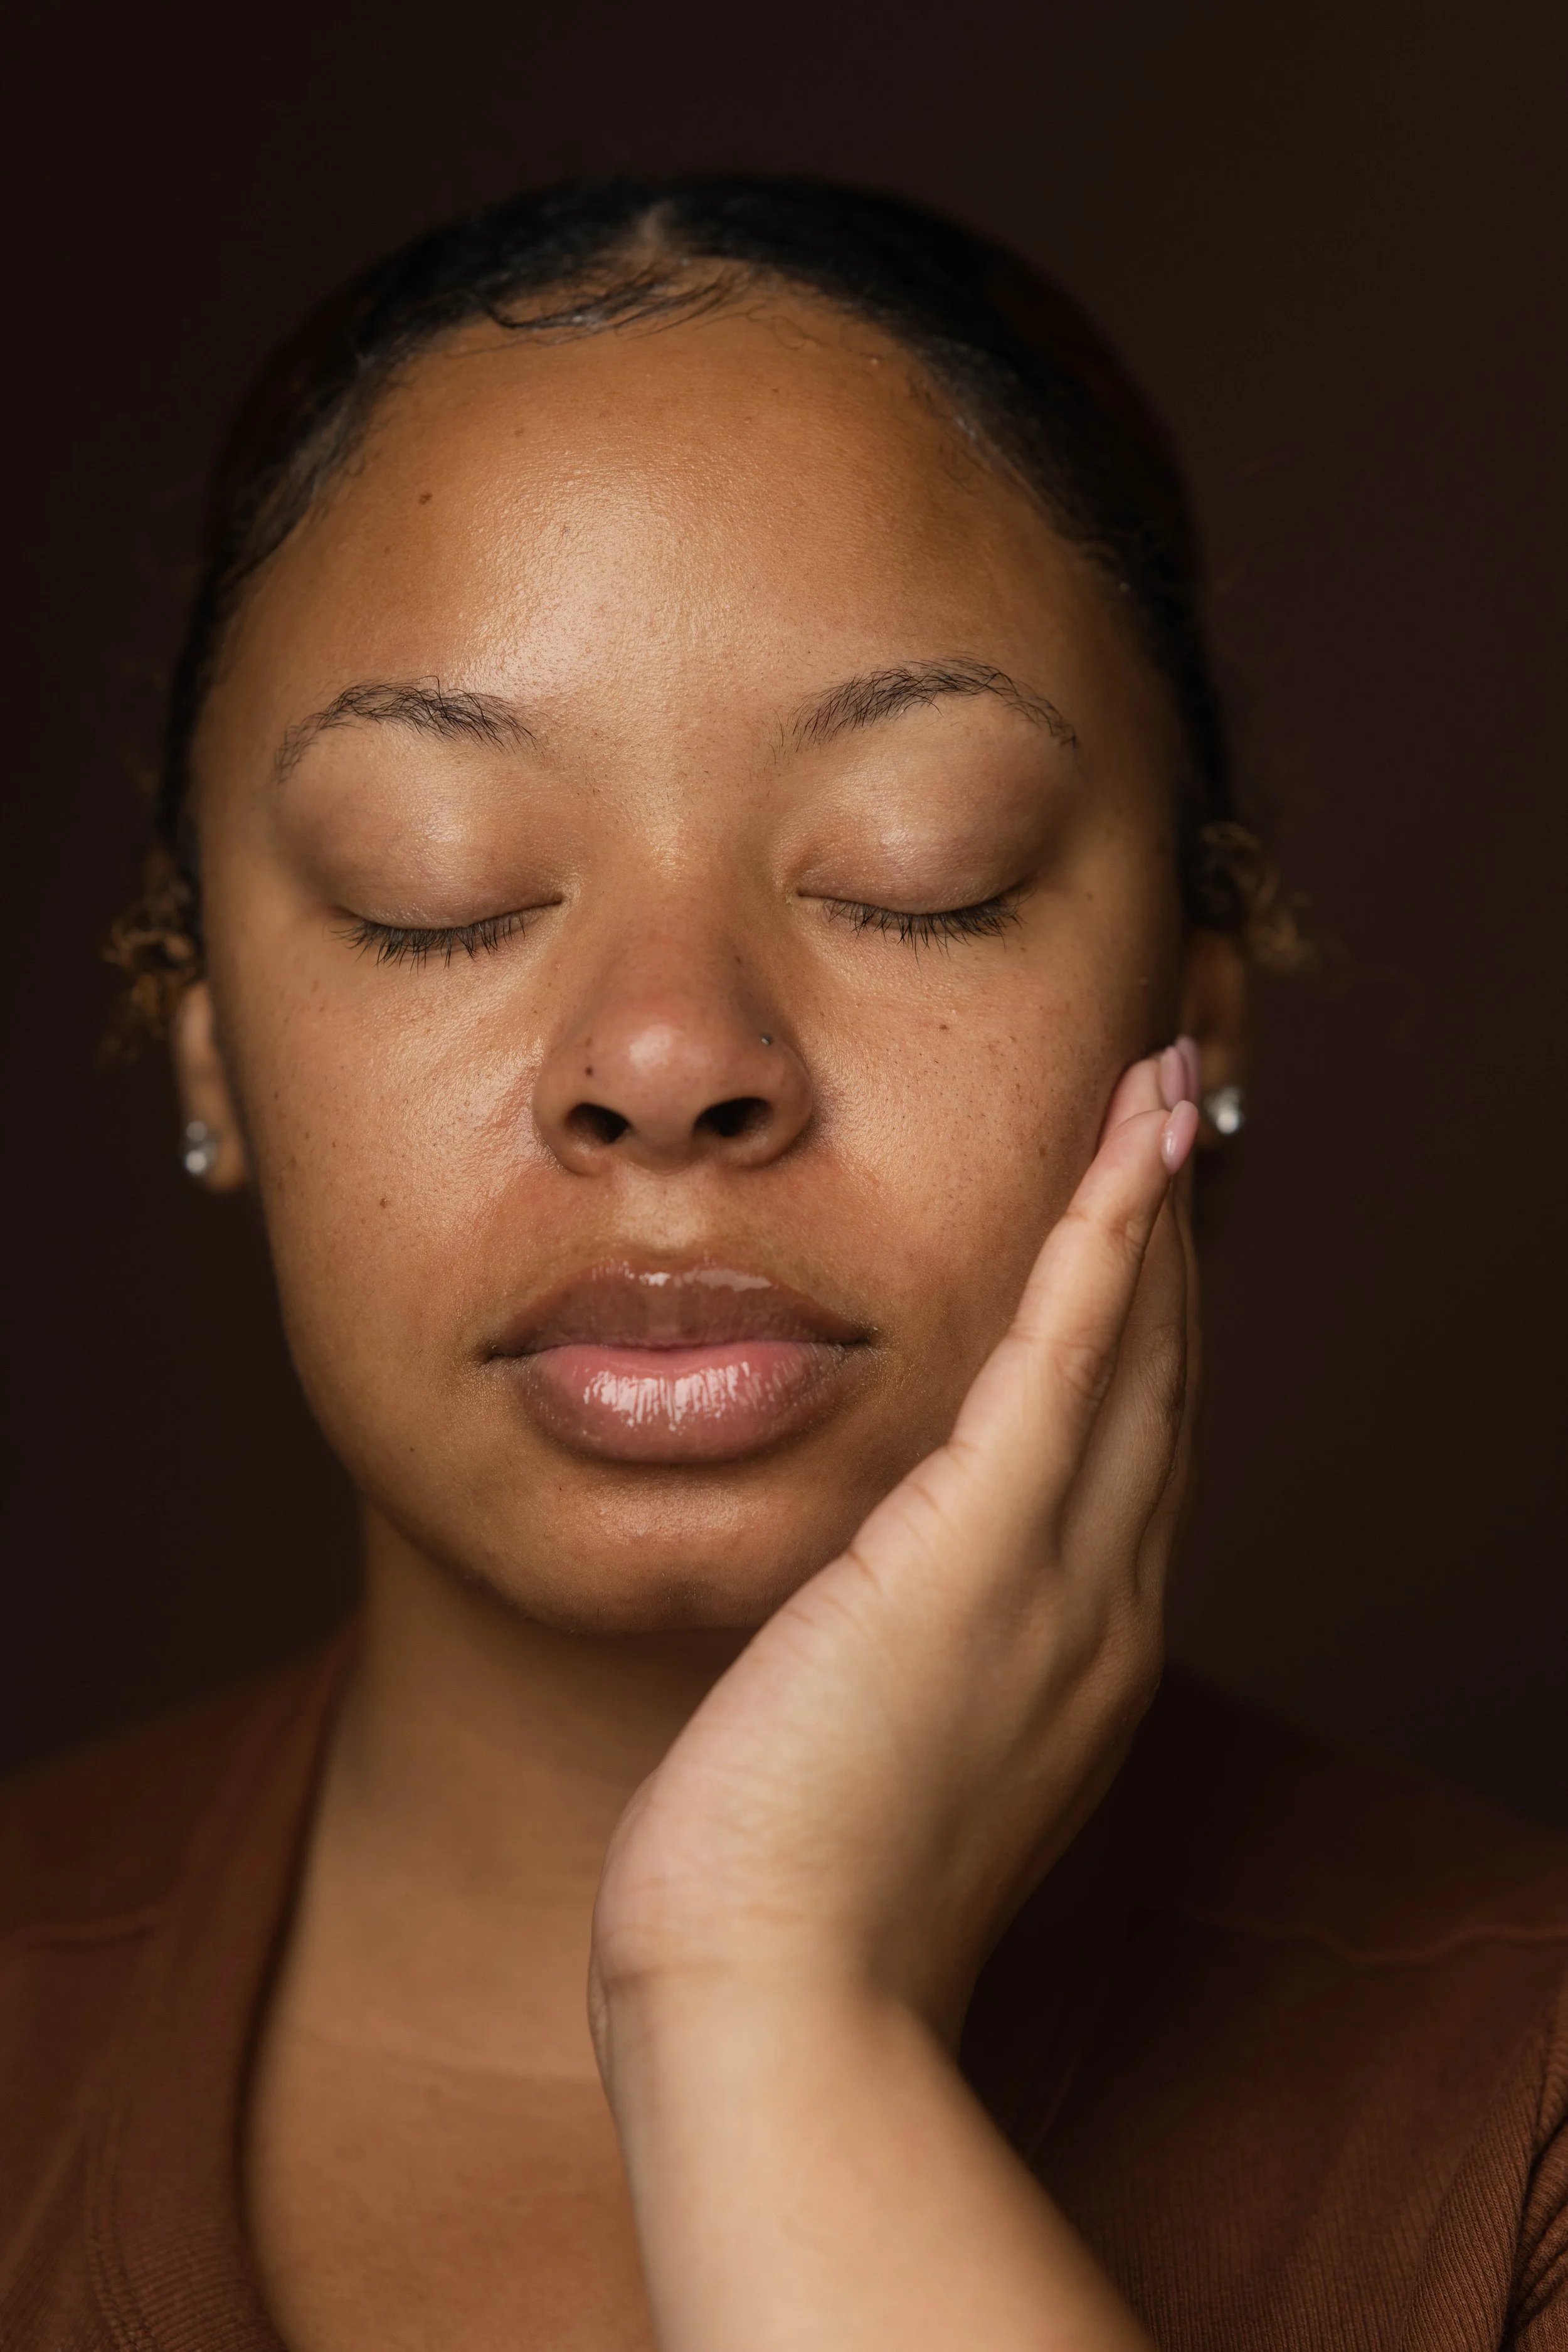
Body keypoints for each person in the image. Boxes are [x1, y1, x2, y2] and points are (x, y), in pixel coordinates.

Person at [2, 177, 1564, 2352]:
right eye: (432, 890)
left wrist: (770, 2003)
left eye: (915, 873)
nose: (664, 1062)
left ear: (1191, 1015)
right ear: (210, 1042)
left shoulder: (1514, 2145)